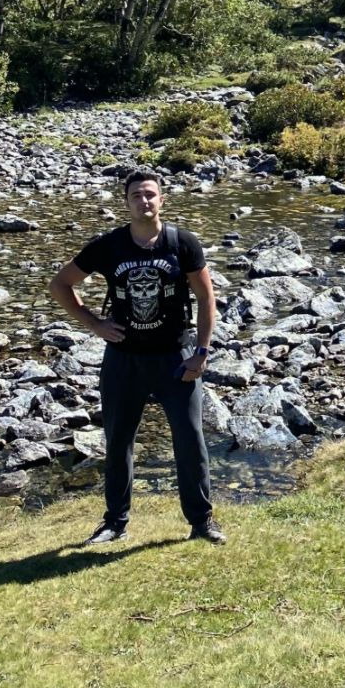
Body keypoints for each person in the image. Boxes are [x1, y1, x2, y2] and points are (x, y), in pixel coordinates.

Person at [48, 167, 225, 545]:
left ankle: (202, 521)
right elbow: (60, 284)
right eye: (136, 196)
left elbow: (206, 299)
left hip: (175, 358)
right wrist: (94, 324)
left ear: (162, 199)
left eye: (150, 194)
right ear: (125, 203)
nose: (144, 201)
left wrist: (201, 352)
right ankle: (115, 522)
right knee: (117, 442)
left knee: (190, 439)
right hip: (123, 359)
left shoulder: (182, 242)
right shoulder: (108, 245)